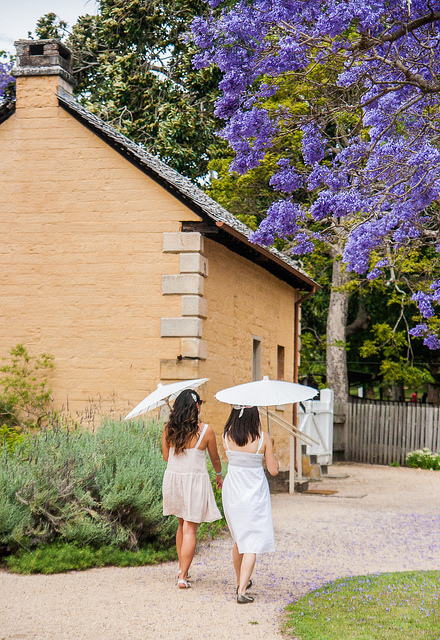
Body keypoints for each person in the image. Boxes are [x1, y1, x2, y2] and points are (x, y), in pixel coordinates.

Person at [162, 388, 223, 589]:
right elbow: (214, 458)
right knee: (190, 529)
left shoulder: (168, 429)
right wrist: (219, 474)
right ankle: (182, 576)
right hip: (194, 481)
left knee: (181, 525)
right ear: (196, 406)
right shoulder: (206, 431)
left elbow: (166, 457)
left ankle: (183, 571)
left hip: (174, 480)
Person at [221, 405, 279, 604]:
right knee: (252, 539)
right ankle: (242, 590)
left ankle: (240, 581)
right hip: (254, 491)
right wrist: (271, 448)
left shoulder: (226, 436)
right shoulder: (263, 438)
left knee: (239, 538)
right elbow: (273, 470)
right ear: (255, 415)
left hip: (232, 490)